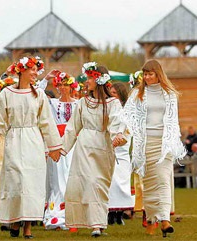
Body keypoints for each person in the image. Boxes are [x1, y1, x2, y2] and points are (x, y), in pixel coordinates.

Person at [0, 55, 63, 239]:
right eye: (32, 69)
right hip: (14, 140)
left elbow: (47, 122)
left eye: (36, 70)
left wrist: (54, 146)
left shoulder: (39, 94)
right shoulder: (7, 94)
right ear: (21, 71)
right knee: (16, 181)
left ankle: (27, 227)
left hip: (33, 141)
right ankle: (14, 221)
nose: (35, 73)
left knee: (31, 183)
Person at [119, 59, 187, 237]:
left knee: (163, 180)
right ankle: (150, 219)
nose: (148, 77)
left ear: (158, 74)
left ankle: (165, 220)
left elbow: (174, 120)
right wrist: (121, 134)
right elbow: (126, 116)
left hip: (164, 143)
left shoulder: (169, 94)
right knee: (148, 184)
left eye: (151, 74)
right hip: (145, 143)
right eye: (146, 74)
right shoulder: (137, 94)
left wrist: (173, 140)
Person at [61, 62, 124, 237]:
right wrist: (60, 149)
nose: (86, 81)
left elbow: (116, 123)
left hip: (103, 148)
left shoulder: (112, 104)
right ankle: (95, 225)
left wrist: (117, 136)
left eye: (90, 78)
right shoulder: (82, 103)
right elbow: (72, 128)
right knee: (88, 183)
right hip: (84, 147)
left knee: (99, 184)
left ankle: (99, 224)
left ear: (99, 80)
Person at [43, 71, 79, 230]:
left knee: (72, 178)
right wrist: (46, 79)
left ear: (72, 86)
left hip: (73, 144)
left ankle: (73, 215)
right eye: (60, 84)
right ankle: (56, 215)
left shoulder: (79, 104)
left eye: (66, 84)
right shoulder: (51, 103)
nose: (63, 88)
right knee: (57, 179)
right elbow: (36, 93)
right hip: (56, 143)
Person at [108, 82, 134, 225]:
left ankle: (120, 213)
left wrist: (121, 139)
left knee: (121, 182)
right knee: (110, 182)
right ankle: (110, 213)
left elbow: (128, 129)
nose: (112, 96)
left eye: (115, 93)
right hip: (109, 146)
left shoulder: (127, 110)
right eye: (110, 93)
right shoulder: (108, 109)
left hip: (122, 148)